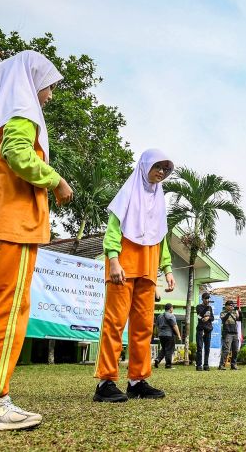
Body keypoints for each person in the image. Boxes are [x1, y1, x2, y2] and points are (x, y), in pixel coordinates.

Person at [0, 51, 73, 431]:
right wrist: (56, 180)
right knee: (8, 311)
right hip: (13, 222)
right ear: (31, 81)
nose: (50, 95)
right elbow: (18, 155)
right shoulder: (21, 113)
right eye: (49, 85)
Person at [94, 149, 175, 402]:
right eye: (157, 167)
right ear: (144, 166)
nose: (161, 172)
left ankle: (137, 380)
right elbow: (112, 232)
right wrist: (114, 261)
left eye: (165, 169)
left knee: (142, 329)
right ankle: (105, 382)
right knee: (115, 324)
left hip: (148, 270)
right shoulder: (127, 193)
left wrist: (168, 270)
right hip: (123, 268)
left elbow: (161, 239)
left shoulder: (159, 201)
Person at [154, 303, 182, 369]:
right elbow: (175, 326)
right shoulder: (171, 316)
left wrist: (159, 333)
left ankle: (157, 359)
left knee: (164, 348)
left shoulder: (159, 316)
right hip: (169, 335)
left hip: (161, 335)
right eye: (172, 308)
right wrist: (179, 335)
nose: (172, 309)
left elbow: (157, 326)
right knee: (169, 349)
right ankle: (168, 365)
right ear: (170, 308)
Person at [218, 300, 242, 370]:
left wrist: (240, 312)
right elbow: (223, 320)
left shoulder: (234, 313)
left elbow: (239, 319)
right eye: (230, 305)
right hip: (227, 333)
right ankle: (221, 365)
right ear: (226, 306)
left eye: (232, 305)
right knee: (226, 350)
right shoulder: (223, 313)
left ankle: (233, 365)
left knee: (235, 350)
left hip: (235, 333)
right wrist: (229, 313)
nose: (231, 306)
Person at [196, 293, 215, 371]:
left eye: (208, 299)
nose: (207, 300)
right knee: (199, 347)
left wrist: (208, 318)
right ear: (202, 299)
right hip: (200, 329)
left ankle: (206, 365)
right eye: (205, 299)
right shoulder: (199, 307)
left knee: (207, 348)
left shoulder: (210, 308)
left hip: (208, 330)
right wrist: (203, 318)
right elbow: (199, 315)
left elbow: (212, 318)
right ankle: (199, 365)